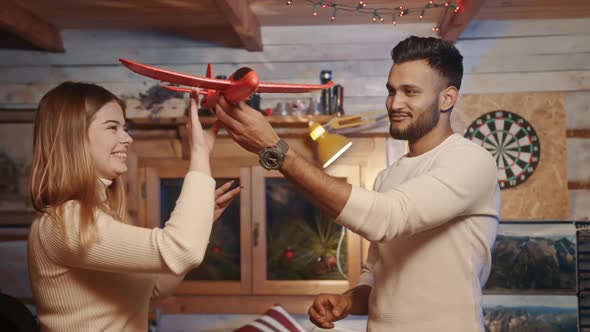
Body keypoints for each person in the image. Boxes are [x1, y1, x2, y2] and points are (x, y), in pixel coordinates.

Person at [214, 36, 501, 331]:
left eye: (410, 92)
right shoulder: (387, 177)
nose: (395, 103)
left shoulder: (471, 161)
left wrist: (274, 149)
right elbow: (376, 274)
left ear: (447, 98)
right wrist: (349, 301)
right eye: (391, 91)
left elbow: (387, 217)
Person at [27, 82, 240, 331]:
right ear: (73, 137)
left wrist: (204, 218)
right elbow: (182, 252)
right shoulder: (63, 222)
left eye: (124, 128)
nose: (127, 138)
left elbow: (155, 288)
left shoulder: (98, 216)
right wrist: (199, 153)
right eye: (112, 127)